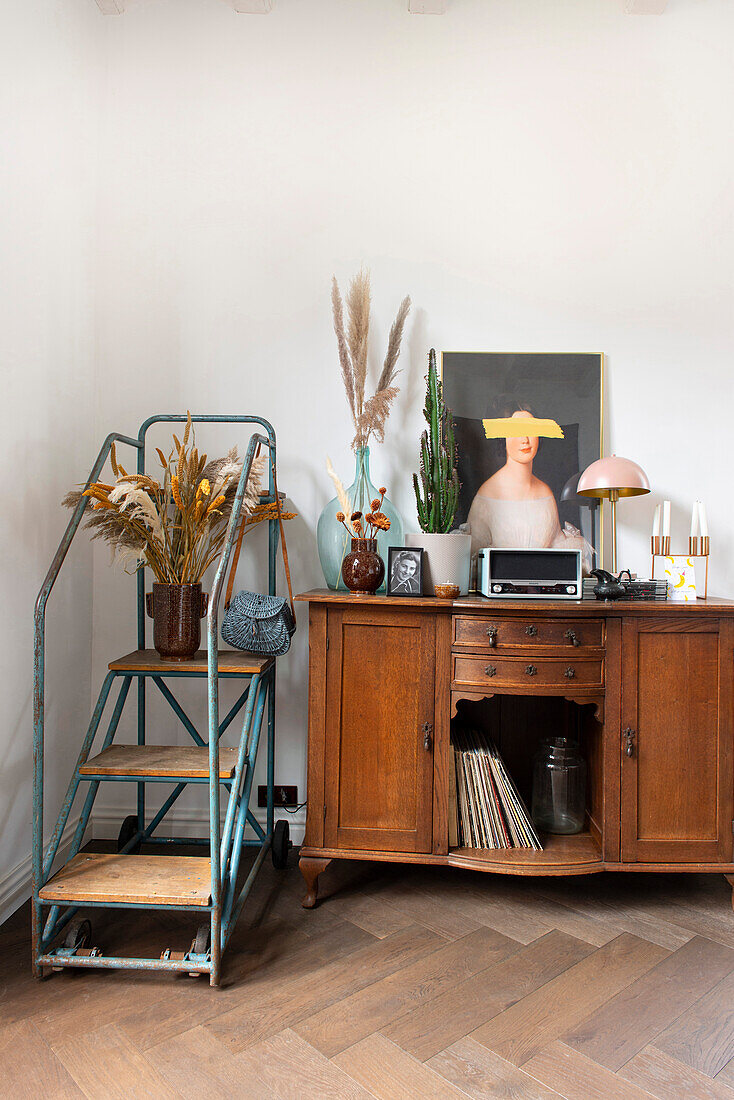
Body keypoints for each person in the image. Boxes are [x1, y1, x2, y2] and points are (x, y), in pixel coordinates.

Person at [467, 406, 590, 568]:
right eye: (516, 431)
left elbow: (556, 547)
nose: (525, 439)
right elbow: (472, 557)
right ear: (503, 438)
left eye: (531, 429)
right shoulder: (488, 492)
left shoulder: (544, 492)